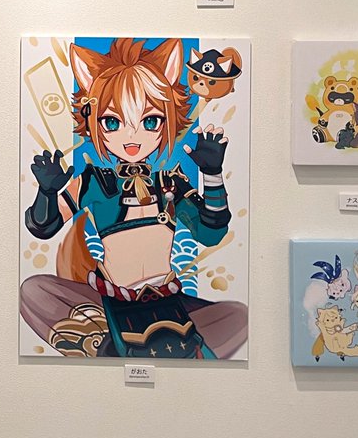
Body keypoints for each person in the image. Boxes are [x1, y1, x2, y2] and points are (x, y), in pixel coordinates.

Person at [19, 38, 248, 358]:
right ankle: (105, 339)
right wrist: (46, 191)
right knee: (34, 290)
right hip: (111, 299)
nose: (131, 136)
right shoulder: (94, 182)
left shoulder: (170, 184)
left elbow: (211, 233)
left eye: (149, 121)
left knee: (239, 315)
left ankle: (110, 343)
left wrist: (212, 174)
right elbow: (44, 226)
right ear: (93, 121)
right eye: (112, 122)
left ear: (169, 120)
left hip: (168, 298)